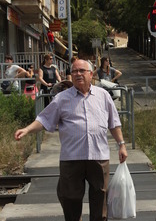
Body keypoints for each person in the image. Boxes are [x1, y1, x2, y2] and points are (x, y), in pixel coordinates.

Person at [14, 59, 128, 221]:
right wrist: (26, 129)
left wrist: (121, 145)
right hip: (72, 158)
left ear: (91, 74)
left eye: (82, 71)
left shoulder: (103, 96)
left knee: (100, 197)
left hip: (99, 156)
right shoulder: (62, 98)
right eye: (74, 71)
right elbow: (44, 119)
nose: (78, 74)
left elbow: (114, 123)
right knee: (70, 198)